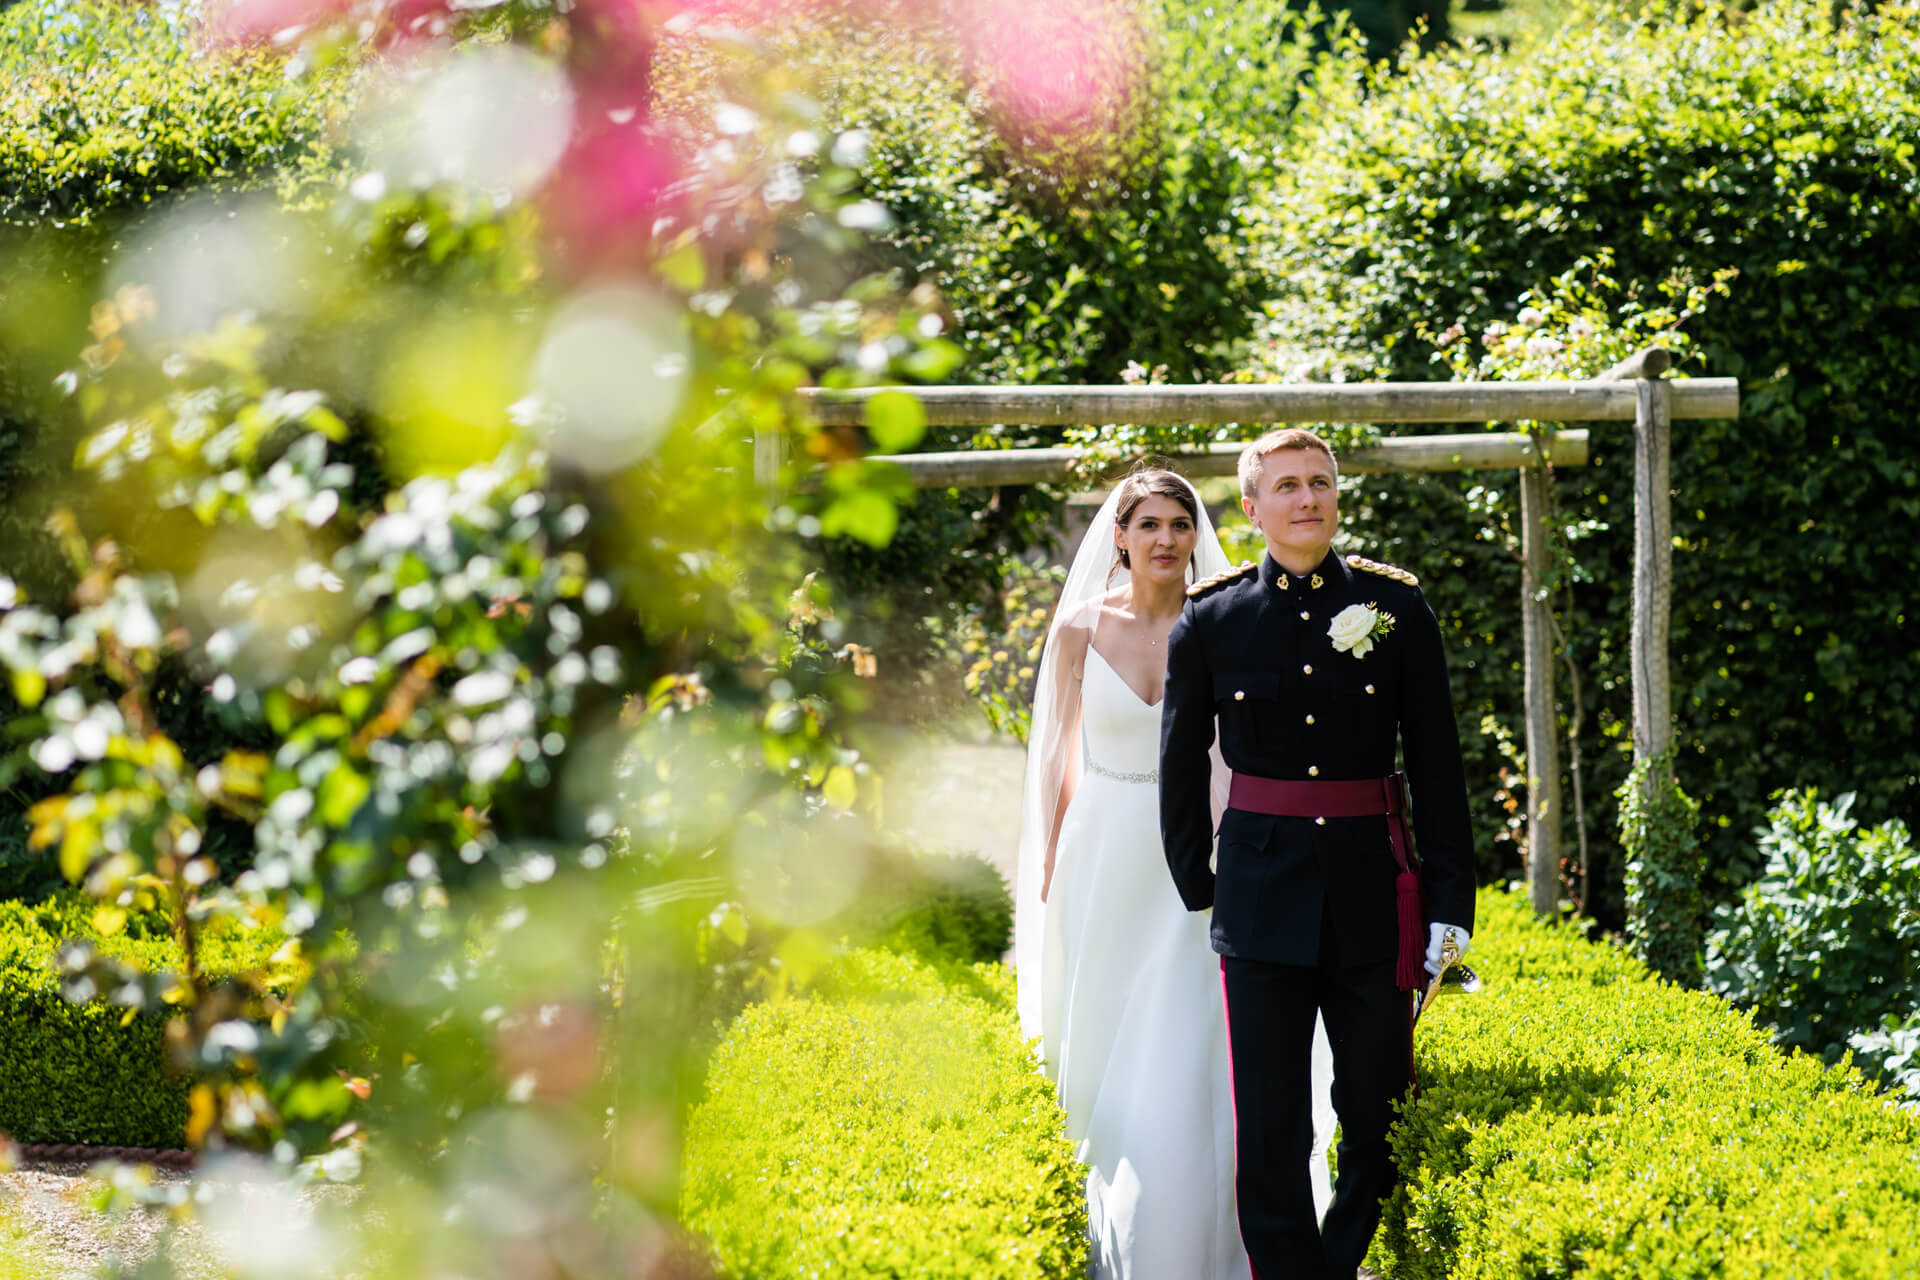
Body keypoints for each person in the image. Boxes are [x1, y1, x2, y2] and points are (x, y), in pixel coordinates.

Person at [1159, 429, 1477, 1280]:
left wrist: (1451, 903)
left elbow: (1439, 767)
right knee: (1269, 1123)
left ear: (1338, 496)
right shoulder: (1212, 618)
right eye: (1288, 486)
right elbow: (1181, 768)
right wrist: (1203, 886)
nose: (1308, 500)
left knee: (1376, 1112)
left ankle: (1340, 1264)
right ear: (1253, 507)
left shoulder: (1399, 610)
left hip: (1373, 893)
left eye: (1321, 484)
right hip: (1258, 897)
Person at [1014, 466, 1335, 1280]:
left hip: (1200, 852)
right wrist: (1050, 856)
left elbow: (1241, 753)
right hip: (1104, 850)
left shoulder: (1218, 620)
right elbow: (1055, 753)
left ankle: (1204, 1224)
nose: (1166, 540)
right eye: (1149, 525)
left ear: (1198, 537)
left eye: (1180, 525)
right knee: (1104, 1020)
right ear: (1119, 537)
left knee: (1192, 1028)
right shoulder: (1079, 630)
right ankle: (1097, 1205)